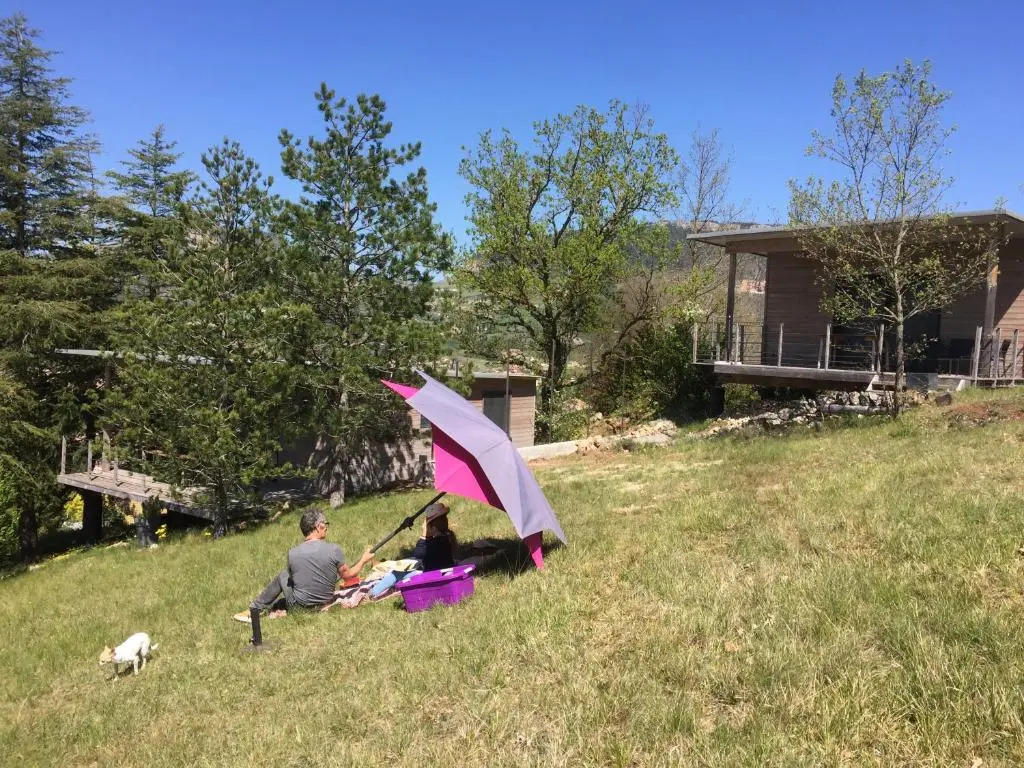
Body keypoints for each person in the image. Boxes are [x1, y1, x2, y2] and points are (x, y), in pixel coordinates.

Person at [234, 509, 373, 622]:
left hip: (300, 608)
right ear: (318, 526)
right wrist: (363, 560)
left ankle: (254, 609)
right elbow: (348, 576)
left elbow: (295, 581)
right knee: (329, 570)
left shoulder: (292, 553)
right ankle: (257, 609)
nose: (326, 528)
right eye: (325, 524)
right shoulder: (334, 549)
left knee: (284, 575)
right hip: (325, 602)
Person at [412, 502, 457, 571]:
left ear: (433, 528)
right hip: (447, 572)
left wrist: (424, 534)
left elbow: (417, 554)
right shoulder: (446, 538)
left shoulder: (434, 545)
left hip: (436, 575)